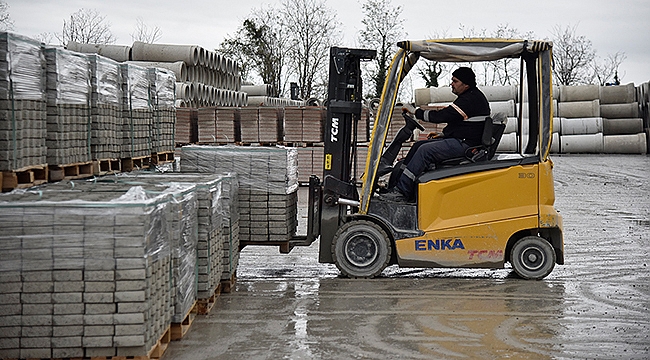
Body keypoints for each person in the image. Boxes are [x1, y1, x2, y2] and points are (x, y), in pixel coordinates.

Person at [380, 67, 491, 203]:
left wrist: (415, 112)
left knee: (424, 151)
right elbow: (460, 124)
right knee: (418, 145)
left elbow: (441, 116)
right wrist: (442, 134)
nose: (452, 84)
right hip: (462, 140)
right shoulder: (470, 97)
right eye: (452, 80)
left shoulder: (470, 99)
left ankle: (402, 192)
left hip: (465, 145)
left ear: (466, 84)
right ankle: (397, 183)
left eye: (455, 81)